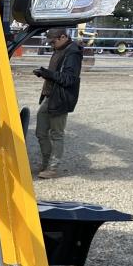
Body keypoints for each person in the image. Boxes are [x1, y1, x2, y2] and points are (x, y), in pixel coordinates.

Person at [32, 27, 83, 179]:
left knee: (57, 134)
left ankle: (52, 168)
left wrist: (47, 73)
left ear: (63, 37)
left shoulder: (72, 53)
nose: (51, 45)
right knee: (41, 132)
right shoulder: (60, 49)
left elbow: (69, 79)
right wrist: (45, 74)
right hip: (51, 96)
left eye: (53, 42)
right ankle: (46, 163)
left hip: (60, 98)